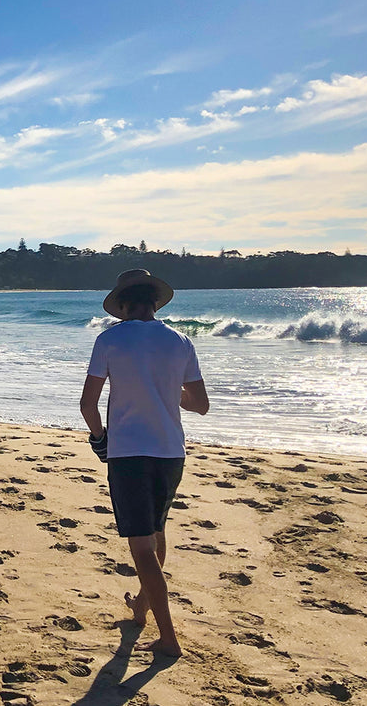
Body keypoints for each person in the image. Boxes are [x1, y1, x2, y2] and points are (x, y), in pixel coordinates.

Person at [79, 269, 209, 657]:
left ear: (121, 306)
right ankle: (140, 607)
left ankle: (168, 638)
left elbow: (88, 405)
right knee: (156, 531)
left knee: (140, 546)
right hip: (171, 452)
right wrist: (168, 393)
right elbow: (200, 405)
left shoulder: (109, 339)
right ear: (155, 302)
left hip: (129, 453)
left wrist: (100, 438)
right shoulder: (180, 340)